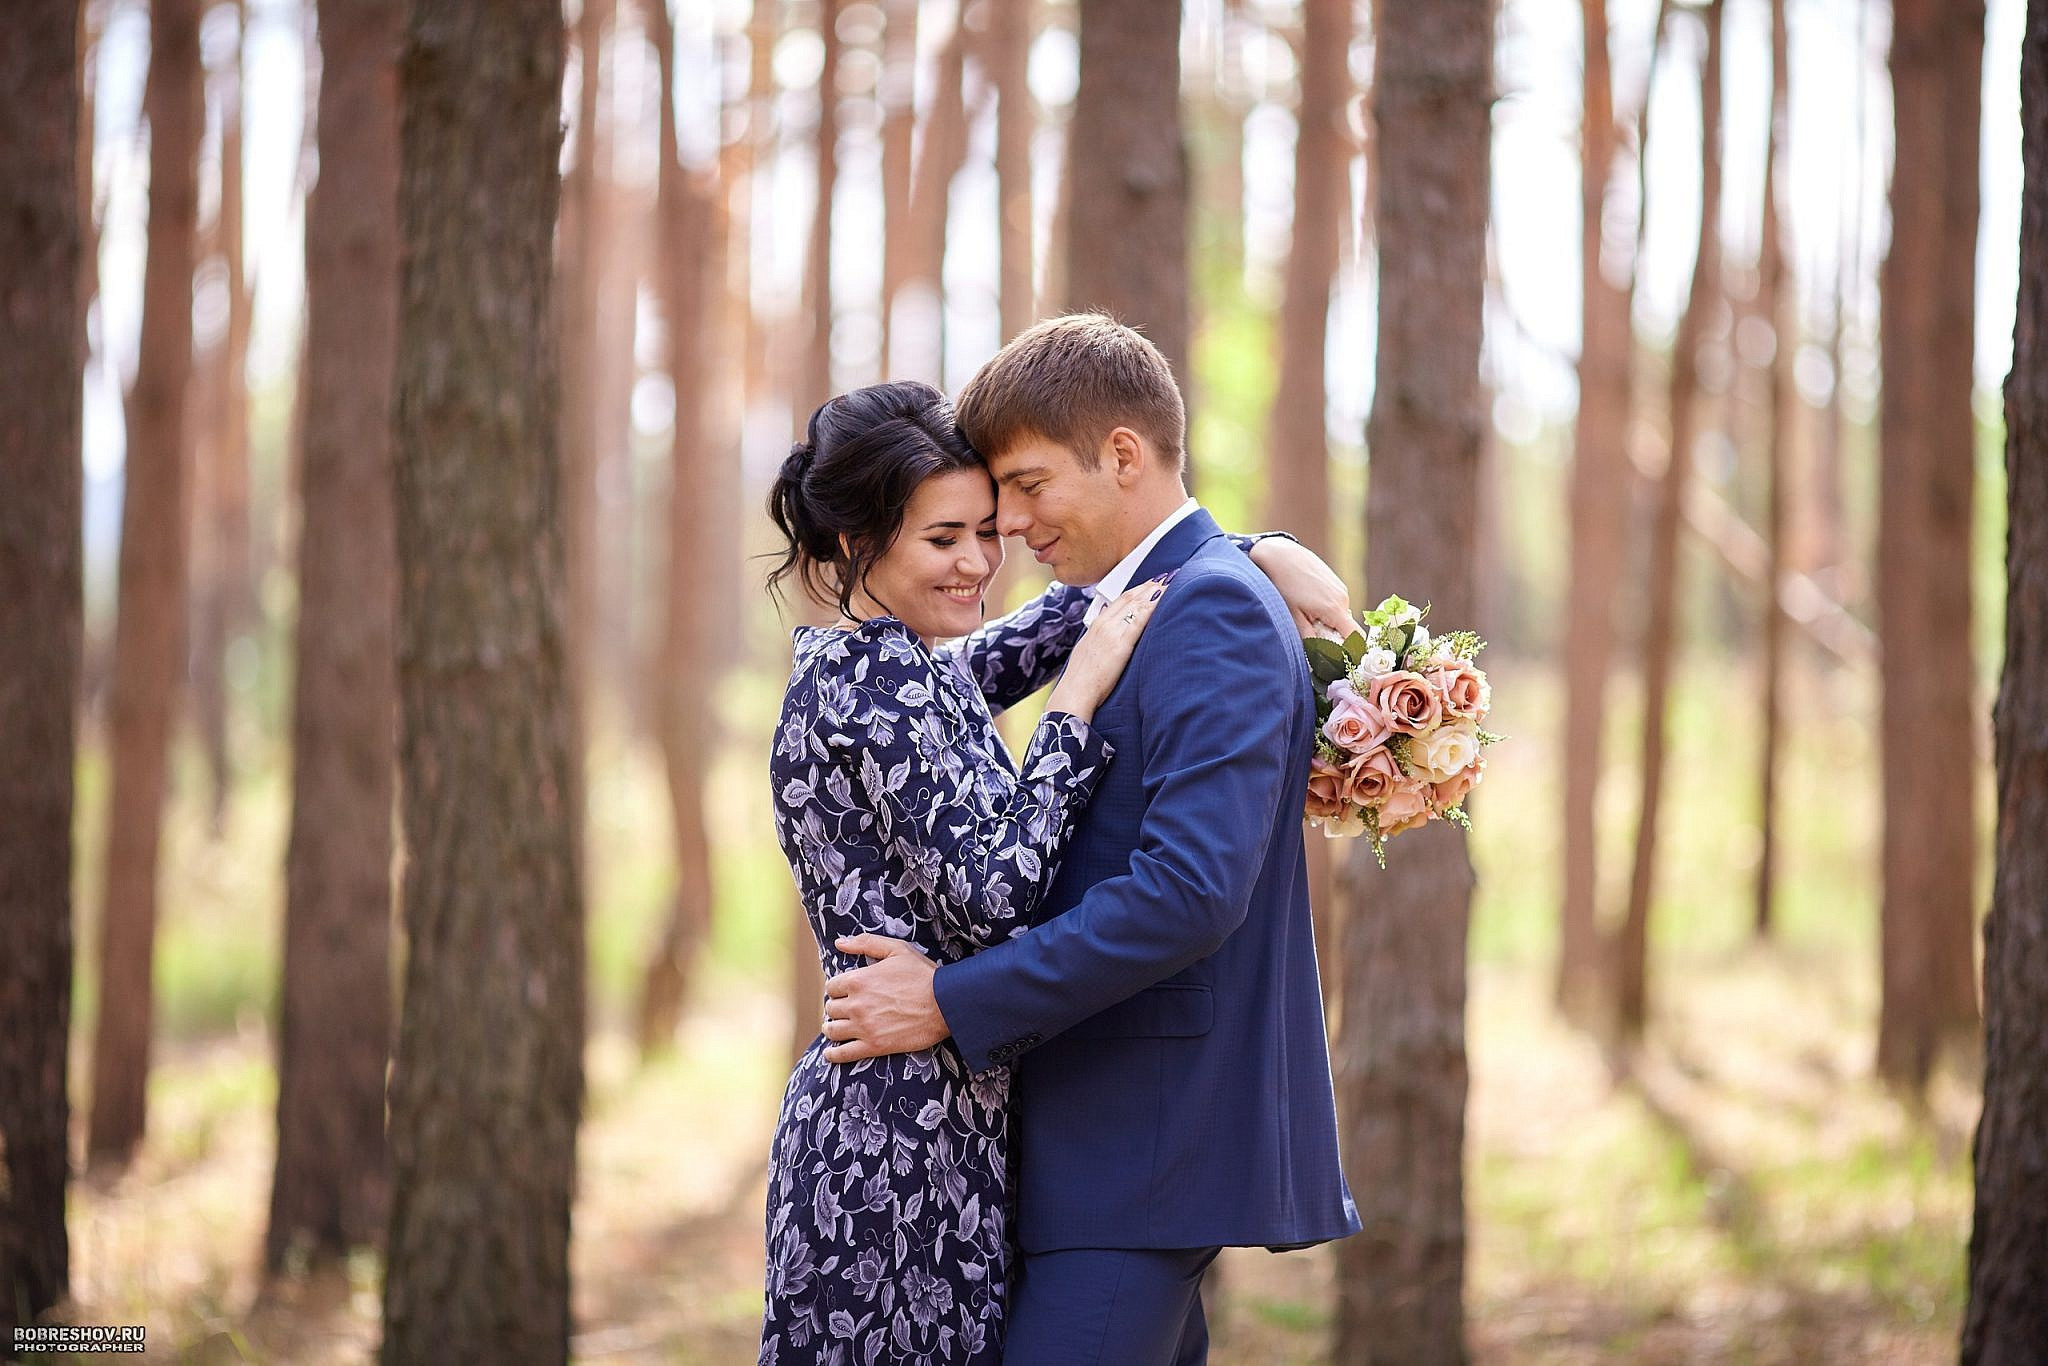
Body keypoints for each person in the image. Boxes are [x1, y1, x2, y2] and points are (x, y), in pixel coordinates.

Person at [758, 377, 1351, 1365]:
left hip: (957, 1120)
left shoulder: (917, 664)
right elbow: (993, 893)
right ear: (857, 544)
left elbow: (1085, 609)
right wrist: (1071, 712)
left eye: (986, 530)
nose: (980, 562)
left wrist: (1243, 548)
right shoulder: (875, 687)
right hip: (895, 1135)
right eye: (942, 538)